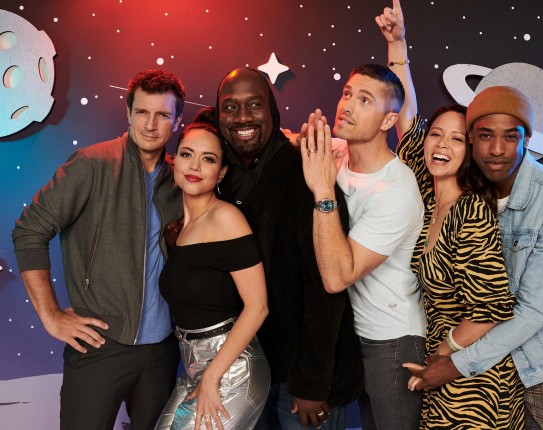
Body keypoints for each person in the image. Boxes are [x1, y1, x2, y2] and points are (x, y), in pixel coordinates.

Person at [407, 85, 543, 429]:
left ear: (527, 139)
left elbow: (534, 310)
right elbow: (410, 141)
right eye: (485, 136)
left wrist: (453, 361)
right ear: (471, 139)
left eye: (511, 137)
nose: (497, 149)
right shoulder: (462, 186)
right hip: (491, 358)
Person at [375, 2, 524, 428]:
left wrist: (443, 355)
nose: (441, 143)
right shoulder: (425, 190)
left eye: (457, 139)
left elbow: (489, 310)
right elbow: (406, 118)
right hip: (442, 370)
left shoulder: (472, 211)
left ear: (470, 152)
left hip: (476, 376)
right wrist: (397, 44)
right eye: (436, 134)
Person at [12, 69, 185, 429]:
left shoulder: (181, 178)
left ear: (177, 120)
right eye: (142, 112)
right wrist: (50, 315)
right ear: (128, 112)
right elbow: (29, 230)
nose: (150, 124)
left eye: (163, 115)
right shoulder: (92, 164)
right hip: (100, 344)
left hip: (163, 351)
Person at [213, 68, 363, 430]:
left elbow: (326, 291)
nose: (243, 117)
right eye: (230, 107)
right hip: (251, 372)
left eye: (254, 105)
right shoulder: (220, 175)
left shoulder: (305, 172)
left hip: (302, 380)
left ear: (273, 111)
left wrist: (311, 383)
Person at [300, 63, 426, 430]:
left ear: (389, 121)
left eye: (365, 100)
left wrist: (323, 190)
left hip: (393, 342)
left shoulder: (396, 192)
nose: (348, 105)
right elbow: (291, 140)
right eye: (347, 94)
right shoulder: (338, 154)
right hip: (355, 335)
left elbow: (337, 277)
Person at [155, 122, 270, 430]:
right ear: (174, 162)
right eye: (186, 154)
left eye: (208, 159)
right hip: (193, 365)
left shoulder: (226, 218)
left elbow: (258, 307)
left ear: (221, 173)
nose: (195, 165)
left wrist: (212, 376)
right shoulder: (180, 228)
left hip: (232, 368)